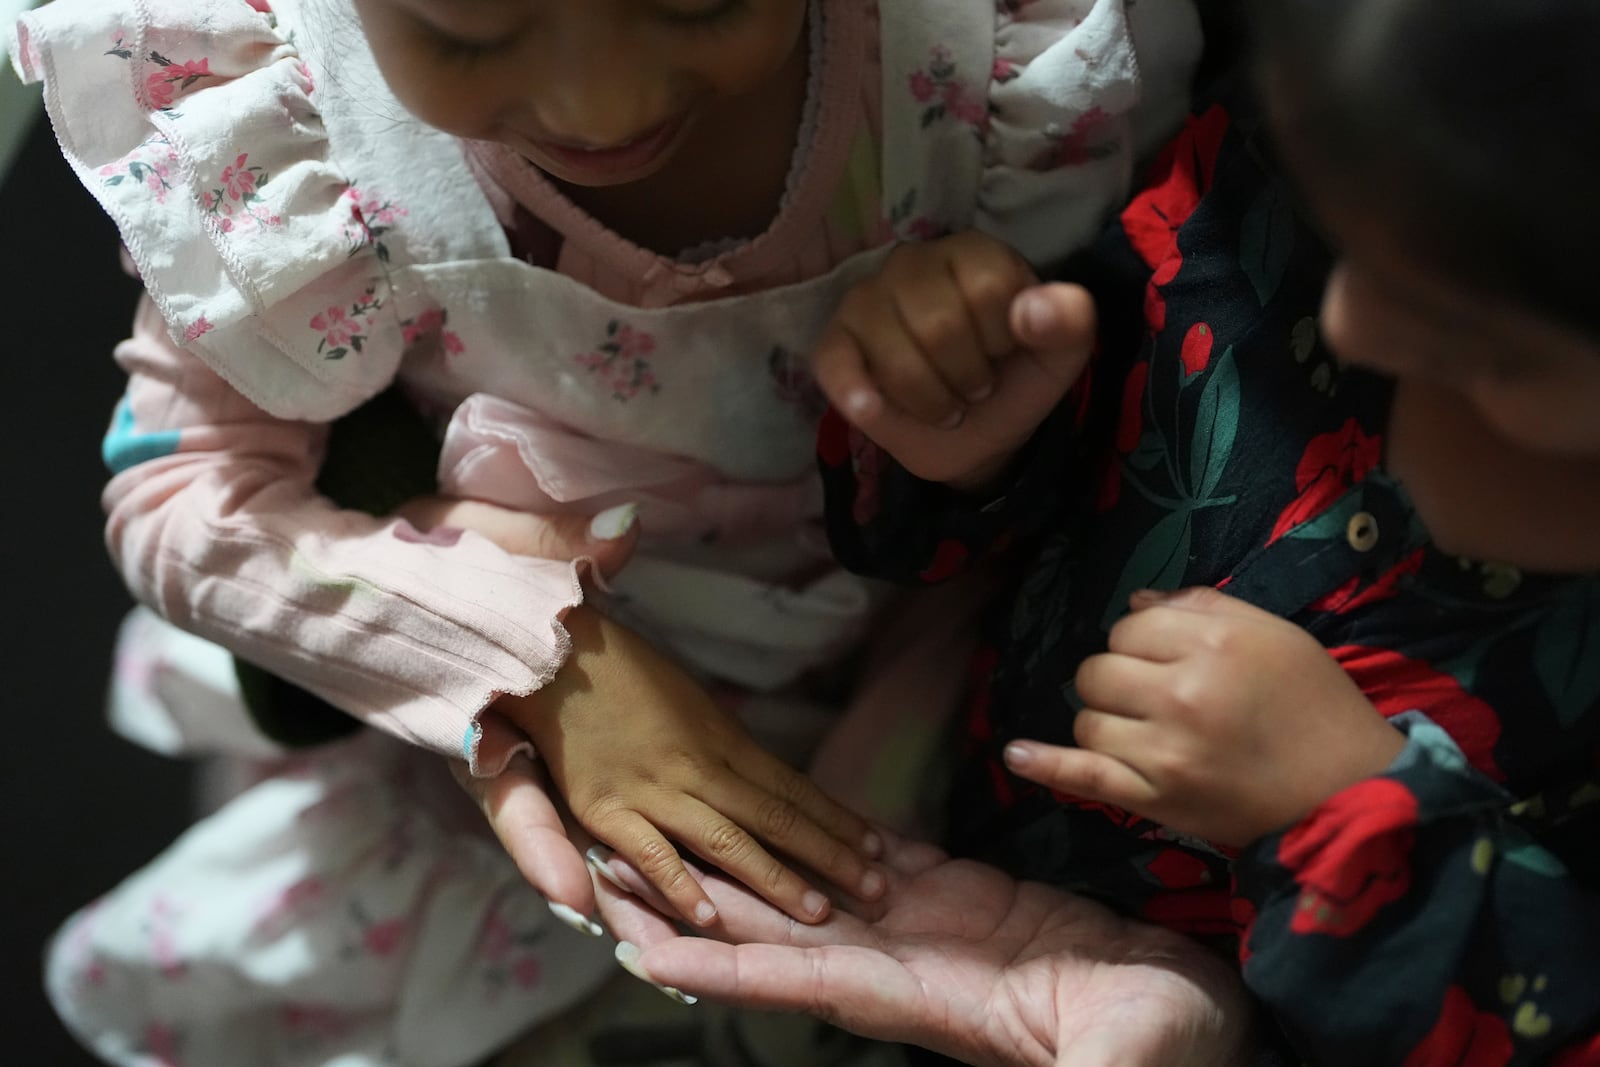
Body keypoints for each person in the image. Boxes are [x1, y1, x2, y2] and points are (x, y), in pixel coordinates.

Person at [14, 0, 1205, 1062]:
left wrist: (969, 398)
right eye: (470, 31)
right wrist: (541, 658)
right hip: (480, 799)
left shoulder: (988, 63)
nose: (604, 102)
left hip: (910, 736)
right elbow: (185, 497)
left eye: (694, 5)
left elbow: (1129, 376)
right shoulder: (294, 130)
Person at [590, 0, 1600, 1063]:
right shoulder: (1290, 180)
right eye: (1342, 236)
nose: (1354, 321)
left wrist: (1348, 813)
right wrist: (972, 438)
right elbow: (1055, 448)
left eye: (1489, 351)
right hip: (924, 849)